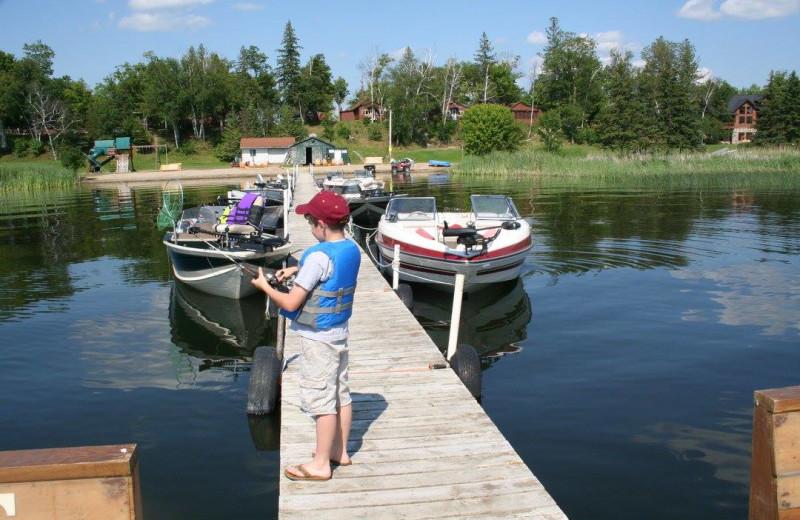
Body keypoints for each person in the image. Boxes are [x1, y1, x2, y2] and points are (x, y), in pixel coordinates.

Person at [252, 191, 361, 481]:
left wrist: (265, 287)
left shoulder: (317, 255)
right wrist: (296, 269)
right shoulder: (350, 248)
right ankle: (340, 451)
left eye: (311, 222)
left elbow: (290, 304)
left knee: (321, 400)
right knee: (341, 394)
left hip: (317, 340)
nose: (310, 228)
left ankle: (321, 464)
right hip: (339, 334)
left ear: (322, 225)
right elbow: (329, 268)